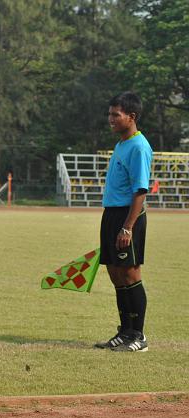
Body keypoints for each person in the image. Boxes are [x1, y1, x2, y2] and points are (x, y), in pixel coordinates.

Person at [94, 92, 152, 352]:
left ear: (132, 116)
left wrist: (127, 227)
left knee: (130, 273)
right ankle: (125, 331)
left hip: (129, 216)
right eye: (109, 114)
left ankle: (138, 336)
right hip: (112, 214)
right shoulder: (121, 144)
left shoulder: (139, 147)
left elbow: (140, 191)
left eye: (116, 114)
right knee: (116, 273)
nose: (110, 119)